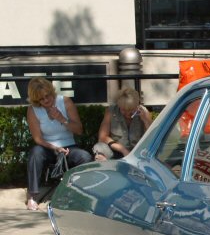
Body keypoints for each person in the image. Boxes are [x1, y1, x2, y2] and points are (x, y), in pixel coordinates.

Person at [24, 78, 92, 211]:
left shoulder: (65, 102)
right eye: (41, 99)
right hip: (48, 147)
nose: (46, 100)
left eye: (47, 96)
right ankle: (32, 196)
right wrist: (54, 148)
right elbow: (37, 139)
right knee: (35, 153)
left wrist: (62, 119)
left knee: (85, 157)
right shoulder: (33, 110)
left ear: (51, 91)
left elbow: (79, 130)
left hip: (69, 147)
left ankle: (79, 194)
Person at [92, 88, 153, 161]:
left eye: (131, 110)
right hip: (116, 150)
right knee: (99, 147)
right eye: (123, 110)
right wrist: (123, 150)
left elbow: (152, 137)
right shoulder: (111, 111)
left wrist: (145, 120)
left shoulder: (144, 112)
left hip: (138, 152)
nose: (127, 113)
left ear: (137, 105)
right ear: (118, 105)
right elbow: (102, 137)